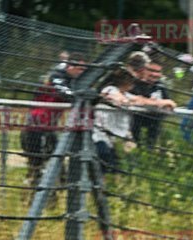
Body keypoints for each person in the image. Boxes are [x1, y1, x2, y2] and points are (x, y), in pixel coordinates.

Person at [20, 53, 86, 183]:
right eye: (80, 69)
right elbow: (65, 93)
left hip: (49, 127)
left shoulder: (73, 81)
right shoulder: (57, 76)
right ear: (70, 66)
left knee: (59, 163)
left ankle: (54, 190)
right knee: (36, 165)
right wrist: (78, 95)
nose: (82, 73)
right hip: (36, 126)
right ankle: (33, 188)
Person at [93, 69, 137, 174]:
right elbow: (116, 97)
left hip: (116, 138)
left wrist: (160, 102)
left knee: (119, 167)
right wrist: (124, 101)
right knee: (102, 165)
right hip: (101, 136)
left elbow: (138, 99)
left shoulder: (126, 94)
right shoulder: (110, 89)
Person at [130, 61, 176, 147]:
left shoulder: (160, 86)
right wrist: (159, 103)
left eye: (158, 72)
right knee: (134, 146)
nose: (155, 74)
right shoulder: (135, 83)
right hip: (134, 122)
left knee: (151, 146)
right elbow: (138, 101)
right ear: (144, 70)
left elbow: (171, 103)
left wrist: (164, 103)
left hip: (154, 122)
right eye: (151, 70)